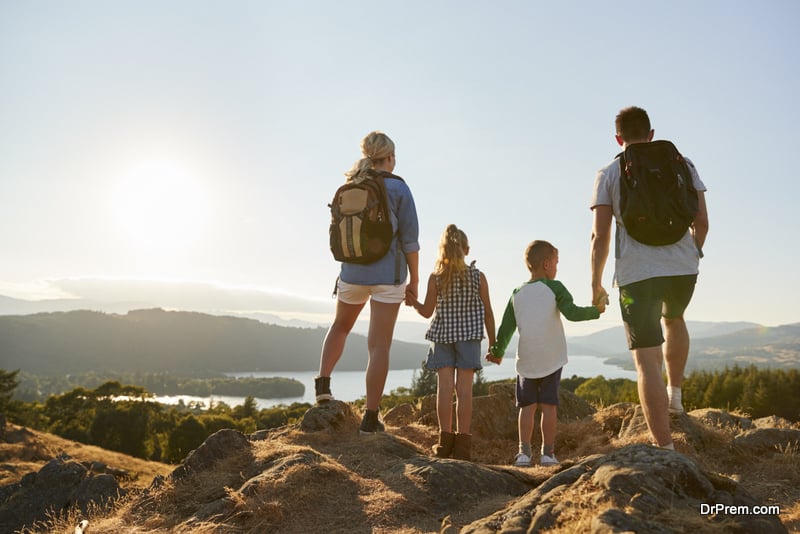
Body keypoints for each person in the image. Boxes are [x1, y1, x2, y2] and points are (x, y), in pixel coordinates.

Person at [590, 106, 709, 450]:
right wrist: (693, 253)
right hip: (683, 270)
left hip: (637, 274)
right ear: (652, 133)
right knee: (674, 319)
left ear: (618, 138)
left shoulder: (609, 172)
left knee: (645, 360)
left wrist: (596, 282)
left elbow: (600, 236)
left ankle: (665, 448)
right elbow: (701, 222)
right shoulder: (682, 165)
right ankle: (676, 396)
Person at [316, 131, 420, 435]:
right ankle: (371, 417)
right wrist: (414, 280)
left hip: (352, 273)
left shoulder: (352, 185)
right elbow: (411, 242)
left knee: (340, 326)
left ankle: (323, 385)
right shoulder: (399, 188)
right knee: (379, 346)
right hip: (388, 277)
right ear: (389, 157)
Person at [487, 240, 604, 467]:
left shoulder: (516, 293)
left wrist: (498, 352)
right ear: (547, 264)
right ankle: (548, 454)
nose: (557, 268)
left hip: (527, 361)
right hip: (551, 359)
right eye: (557, 263)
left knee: (527, 408)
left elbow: (506, 328)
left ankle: (523, 454)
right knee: (549, 407)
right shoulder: (556, 287)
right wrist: (596, 311)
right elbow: (572, 313)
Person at [408, 224, 496, 461]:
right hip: (469, 338)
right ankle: (463, 446)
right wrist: (494, 344)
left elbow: (427, 312)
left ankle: (444, 442)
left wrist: (413, 302)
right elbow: (488, 313)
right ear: (466, 250)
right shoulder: (478, 277)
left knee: (444, 390)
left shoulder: (436, 278)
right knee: (464, 392)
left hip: (442, 336)